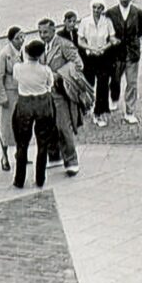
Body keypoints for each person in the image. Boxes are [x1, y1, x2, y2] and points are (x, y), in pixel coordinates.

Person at [38, 18, 87, 175]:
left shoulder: (64, 44)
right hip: (46, 93)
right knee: (48, 125)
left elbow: (79, 65)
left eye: (45, 32)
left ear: (53, 30)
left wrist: (58, 75)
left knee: (63, 126)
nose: (42, 35)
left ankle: (72, 161)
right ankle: (54, 156)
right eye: (40, 32)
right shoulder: (41, 47)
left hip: (61, 93)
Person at [10, 39, 57, 189]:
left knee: (22, 143)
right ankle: (40, 178)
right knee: (42, 142)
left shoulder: (18, 68)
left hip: (25, 102)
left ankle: (19, 179)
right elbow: (50, 84)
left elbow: (15, 78)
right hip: (43, 102)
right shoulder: (45, 70)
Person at [105, 0, 142, 124]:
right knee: (115, 79)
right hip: (116, 53)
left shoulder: (138, 13)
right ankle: (114, 98)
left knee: (132, 83)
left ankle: (130, 111)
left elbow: (141, 31)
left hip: (132, 53)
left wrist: (133, 43)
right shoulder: (110, 13)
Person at [79, 0, 117, 127]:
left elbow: (112, 39)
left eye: (99, 8)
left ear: (102, 9)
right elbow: (81, 40)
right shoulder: (85, 22)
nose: (96, 10)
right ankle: (86, 107)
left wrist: (103, 48)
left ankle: (98, 112)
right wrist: (90, 48)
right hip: (90, 58)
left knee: (102, 85)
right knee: (88, 85)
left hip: (102, 58)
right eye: (94, 7)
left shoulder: (107, 22)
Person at [0, 26, 24, 172]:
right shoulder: (4, 54)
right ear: (11, 39)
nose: (21, 40)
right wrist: (2, 97)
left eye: (22, 37)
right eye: (18, 38)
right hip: (9, 93)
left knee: (22, 124)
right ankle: (4, 155)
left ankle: (20, 152)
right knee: (7, 125)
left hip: (22, 93)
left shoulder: (23, 52)